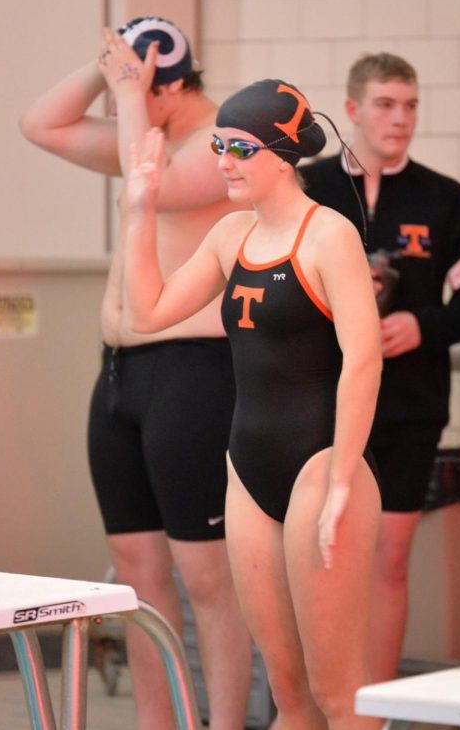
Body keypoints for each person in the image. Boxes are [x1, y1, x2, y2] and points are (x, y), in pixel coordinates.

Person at [125, 78, 384, 730]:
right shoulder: (230, 235)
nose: (223, 162)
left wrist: (343, 478)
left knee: (336, 692)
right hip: (248, 470)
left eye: (238, 148)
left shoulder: (330, 237)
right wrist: (141, 208)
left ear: (280, 153)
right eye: (218, 146)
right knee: (290, 694)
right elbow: (147, 312)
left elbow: (364, 359)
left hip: (319, 467)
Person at [18, 17, 251, 730]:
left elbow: (161, 191)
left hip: (194, 372)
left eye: (136, 86)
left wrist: (128, 99)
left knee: (207, 576)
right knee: (136, 567)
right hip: (119, 374)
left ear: (173, 87)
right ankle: (160, 722)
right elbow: (39, 124)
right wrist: (108, 69)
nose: (120, 99)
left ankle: (226, 723)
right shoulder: (141, 130)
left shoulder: (221, 140)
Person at [300, 52, 460, 682]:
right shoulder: (309, 187)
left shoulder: (445, 200)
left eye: (411, 105)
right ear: (354, 110)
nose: (401, 118)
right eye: (386, 104)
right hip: (318, 406)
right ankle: (320, 702)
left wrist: (422, 325)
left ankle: (374, 708)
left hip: (409, 407)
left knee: (389, 558)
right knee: (321, 557)